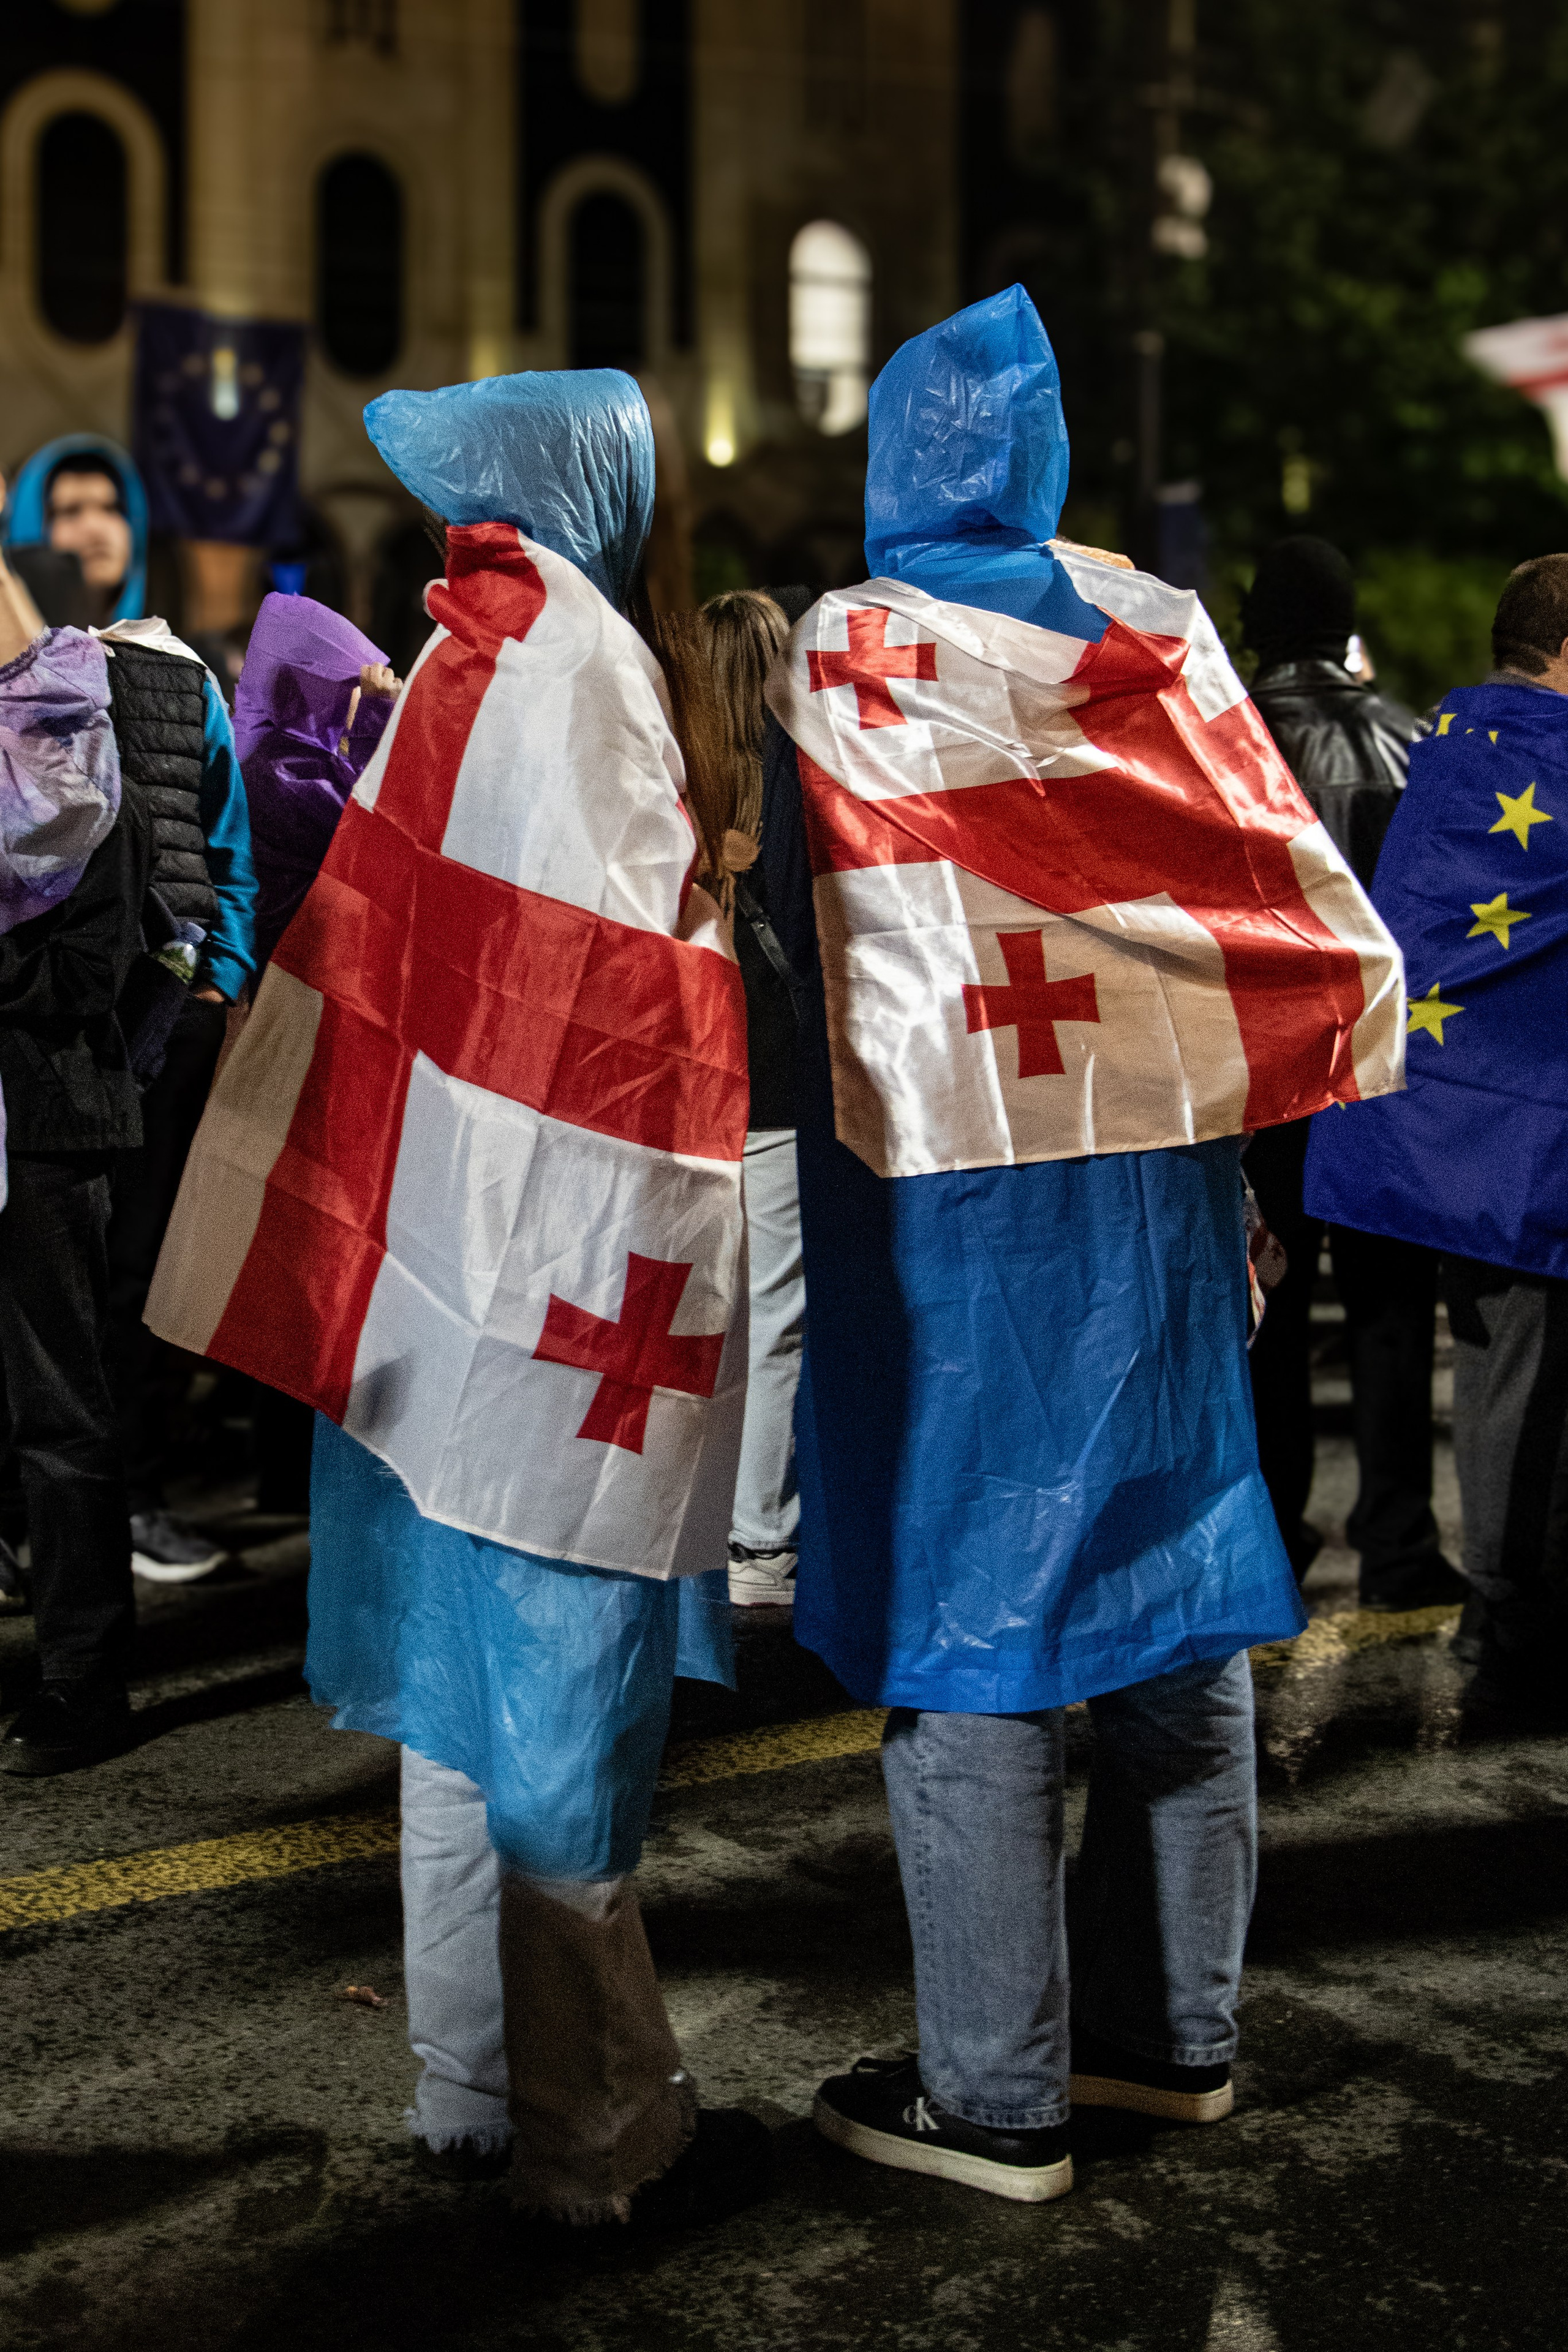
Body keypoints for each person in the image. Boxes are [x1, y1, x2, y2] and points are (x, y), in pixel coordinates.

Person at [758, 288, 1402, 2202]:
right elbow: (1268, 883)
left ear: (895, 454)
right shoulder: (1155, 627)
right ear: (1041, 453)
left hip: (953, 1195)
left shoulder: (852, 641)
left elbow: (808, 923)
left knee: (974, 1623)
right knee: (1171, 1598)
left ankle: (996, 2093)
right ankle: (1169, 2040)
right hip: (1159, 1182)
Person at [145, 368, 772, 2230]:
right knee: (562, 1699)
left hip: (422, 1246)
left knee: (444, 1691)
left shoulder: (462, 653)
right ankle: (592, 2140)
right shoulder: (576, 662)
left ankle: (466, 2091)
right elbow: (618, 996)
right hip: (552, 1264)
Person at [1305, 552, 1568, 1717]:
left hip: (1434, 1126)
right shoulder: (1552, 763)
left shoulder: (1451, 748)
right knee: (1528, 1387)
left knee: (1503, 1376)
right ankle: (1512, 1627)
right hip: (1519, 1142)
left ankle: (1508, 1611)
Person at [5, 434, 260, 1582]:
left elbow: (229, 841)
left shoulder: (179, 670)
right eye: (65, 505)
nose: (90, 525)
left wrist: (225, 977)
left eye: (109, 503)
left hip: (160, 1023)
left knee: (142, 1276)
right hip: (39, 1028)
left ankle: (131, 1504)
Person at [1240, 537, 1464, 1612]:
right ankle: (1401, 1545)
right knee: (1388, 1309)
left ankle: (1275, 1541)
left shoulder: (1221, 738)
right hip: (1384, 1069)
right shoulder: (1410, 740)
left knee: (1270, 1309)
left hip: (1267, 1073)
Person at [0, 526, 151, 1776]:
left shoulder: (86, 747)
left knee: (60, 1411)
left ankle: (84, 1679)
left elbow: (93, 964)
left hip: (46, 1122)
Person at [701, 589, 804, 1608]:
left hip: (697, 1081)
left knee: (720, 1312)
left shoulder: (682, 791)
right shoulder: (792, 784)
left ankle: (710, 1519)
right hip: (779, 1080)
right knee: (779, 1316)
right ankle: (760, 1540)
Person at [233, 590, 401, 974]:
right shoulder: (282, 769)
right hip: (300, 964)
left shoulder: (287, 756)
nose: (358, 697)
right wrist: (375, 721)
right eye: (352, 685)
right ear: (317, 689)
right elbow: (367, 826)